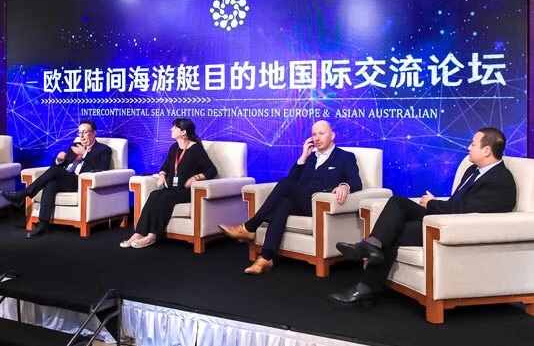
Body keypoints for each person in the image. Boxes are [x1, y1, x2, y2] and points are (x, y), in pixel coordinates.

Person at [329, 126, 517, 305]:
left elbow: (465, 210)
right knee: (398, 202)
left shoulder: (500, 181)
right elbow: (458, 202)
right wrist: (434, 203)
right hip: (445, 218)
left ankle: (365, 286)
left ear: (486, 150)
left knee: (393, 231)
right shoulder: (472, 170)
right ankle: (372, 245)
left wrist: (432, 204)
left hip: (456, 228)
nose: (468, 147)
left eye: (473, 144)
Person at [219, 120, 362, 274]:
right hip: (304, 202)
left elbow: (356, 181)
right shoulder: (311, 158)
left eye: (321, 133)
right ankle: (266, 257)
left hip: (322, 204)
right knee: (284, 202)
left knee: (285, 184)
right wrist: (303, 158)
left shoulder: (345, 157)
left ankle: (250, 227)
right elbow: (293, 180)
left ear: (332, 135)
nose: (317, 138)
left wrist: (344, 186)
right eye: (314, 134)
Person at [1, 119, 112, 238]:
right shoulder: (75, 146)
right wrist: (59, 160)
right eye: (79, 133)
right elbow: (56, 167)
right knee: (51, 184)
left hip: (81, 182)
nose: (81, 136)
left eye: (85, 132)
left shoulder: (104, 149)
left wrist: (84, 154)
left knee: (55, 172)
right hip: (66, 178)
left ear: (94, 133)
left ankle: (23, 194)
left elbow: (102, 168)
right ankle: (42, 226)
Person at [120, 118, 217, 249]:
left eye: (175, 127)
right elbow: (165, 166)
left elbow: (211, 170)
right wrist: (162, 175)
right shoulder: (174, 148)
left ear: (183, 132)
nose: (171, 129)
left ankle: (152, 235)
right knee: (154, 195)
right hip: (172, 188)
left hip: (187, 191)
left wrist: (196, 177)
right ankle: (139, 233)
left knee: (164, 198)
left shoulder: (196, 149)